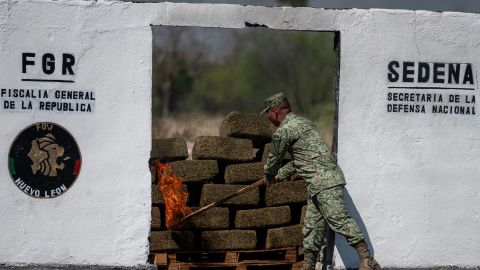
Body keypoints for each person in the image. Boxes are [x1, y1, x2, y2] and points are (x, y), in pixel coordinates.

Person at [260, 92, 380, 270]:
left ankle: (367, 259)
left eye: (268, 112)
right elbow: (304, 159)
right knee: (312, 227)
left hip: (324, 182)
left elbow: (273, 160)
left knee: (338, 220)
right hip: (319, 183)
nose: (268, 117)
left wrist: (269, 176)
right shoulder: (305, 123)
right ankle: (307, 266)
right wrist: (282, 174)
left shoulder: (283, 132)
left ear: (276, 111)